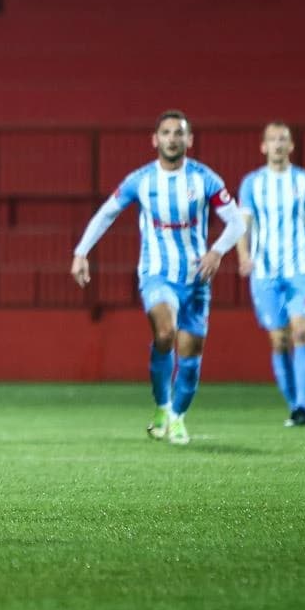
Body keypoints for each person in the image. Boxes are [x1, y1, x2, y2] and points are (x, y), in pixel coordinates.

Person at [69, 111, 245, 445]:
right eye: (166, 133)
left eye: (179, 133)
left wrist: (217, 250)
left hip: (196, 279)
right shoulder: (141, 180)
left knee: (191, 356)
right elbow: (107, 213)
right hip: (156, 273)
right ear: (155, 139)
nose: (172, 139)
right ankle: (162, 405)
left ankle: (177, 417)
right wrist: (81, 252)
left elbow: (236, 222)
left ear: (189, 140)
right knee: (165, 333)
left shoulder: (205, 179)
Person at [235, 122, 305, 428]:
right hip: (265, 272)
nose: (278, 145)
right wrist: (243, 256)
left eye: (283, 139)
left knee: (300, 331)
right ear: (263, 146)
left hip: (300, 269)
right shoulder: (252, 183)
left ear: (291, 146)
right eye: (272, 139)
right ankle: (294, 405)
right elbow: (244, 224)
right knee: (278, 340)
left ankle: (303, 405)